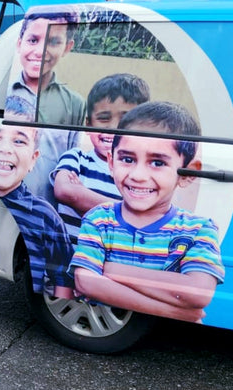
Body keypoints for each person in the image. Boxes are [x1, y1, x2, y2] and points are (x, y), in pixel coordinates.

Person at [69, 101, 224, 323]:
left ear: (188, 173)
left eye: (157, 163)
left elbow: (198, 293)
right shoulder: (98, 219)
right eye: (128, 159)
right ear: (111, 162)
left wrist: (110, 269)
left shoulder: (199, 229)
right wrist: (176, 311)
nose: (138, 175)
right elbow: (86, 282)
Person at [52, 73, 151, 242]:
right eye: (103, 118)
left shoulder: (142, 172)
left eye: (125, 120)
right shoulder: (76, 158)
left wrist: (83, 195)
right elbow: (65, 191)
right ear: (88, 124)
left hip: (116, 258)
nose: (113, 127)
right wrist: (128, 210)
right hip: (72, 257)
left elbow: (146, 217)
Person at [0, 97, 74, 298]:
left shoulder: (45, 215)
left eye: (19, 141)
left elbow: (64, 279)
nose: (5, 148)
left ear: (33, 159)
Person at [5, 9, 85, 202]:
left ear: (67, 47)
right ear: (19, 43)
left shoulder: (74, 103)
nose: (41, 51)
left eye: (54, 42)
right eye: (33, 40)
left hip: (50, 215)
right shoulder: (3, 95)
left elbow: (73, 163)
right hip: (8, 210)